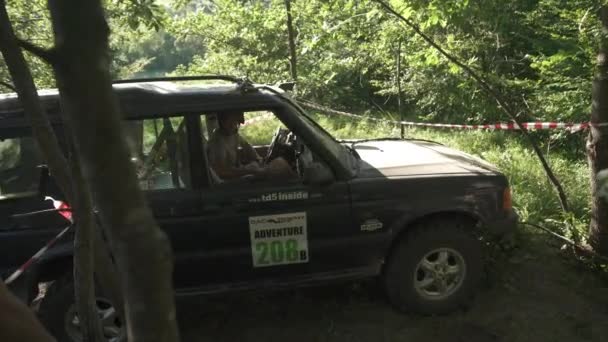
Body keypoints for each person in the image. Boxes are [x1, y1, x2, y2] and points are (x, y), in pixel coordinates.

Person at [207, 111, 295, 181]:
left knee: (279, 163)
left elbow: (246, 146)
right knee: (278, 169)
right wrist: (250, 171)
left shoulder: (232, 134)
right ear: (222, 122)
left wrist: (258, 159)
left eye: (235, 122)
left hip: (238, 172)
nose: (233, 125)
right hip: (228, 183)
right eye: (230, 122)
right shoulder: (217, 143)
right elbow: (221, 172)